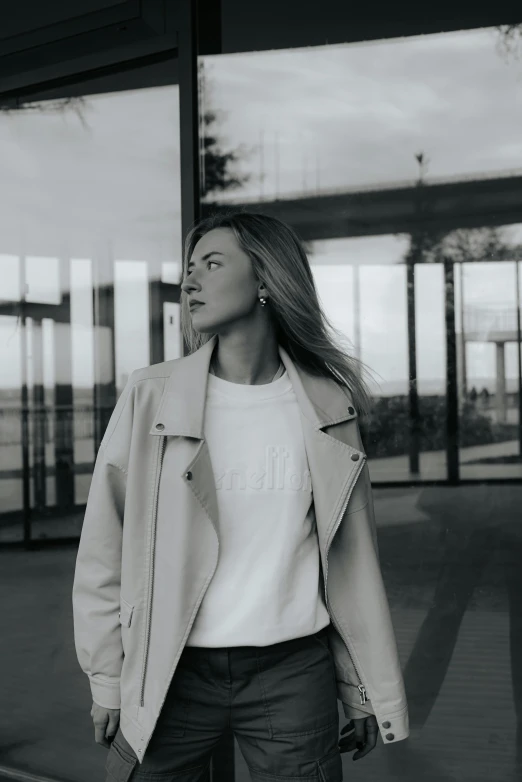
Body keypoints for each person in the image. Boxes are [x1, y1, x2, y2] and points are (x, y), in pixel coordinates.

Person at [72, 211, 408, 782]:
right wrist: (107, 676)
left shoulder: (328, 407)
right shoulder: (152, 397)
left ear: (266, 280)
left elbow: (351, 562)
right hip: (169, 670)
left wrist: (361, 688)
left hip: (292, 672)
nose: (189, 281)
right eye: (189, 267)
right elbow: (104, 547)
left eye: (212, 263)